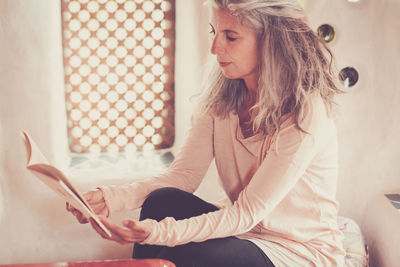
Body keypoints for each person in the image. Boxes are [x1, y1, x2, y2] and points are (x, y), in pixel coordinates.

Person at [67, 0, 346, 266]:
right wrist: (110, 199)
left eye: (230, 36)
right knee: (162, 200)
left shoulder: (306, 110)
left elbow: (246, 213)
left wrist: (156, 232)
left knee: (193, 253)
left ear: (270, 41)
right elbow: (182, 178)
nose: (214, 48)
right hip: (247, 234)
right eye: (214, 32)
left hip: (298, 253)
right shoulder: (222, 97)